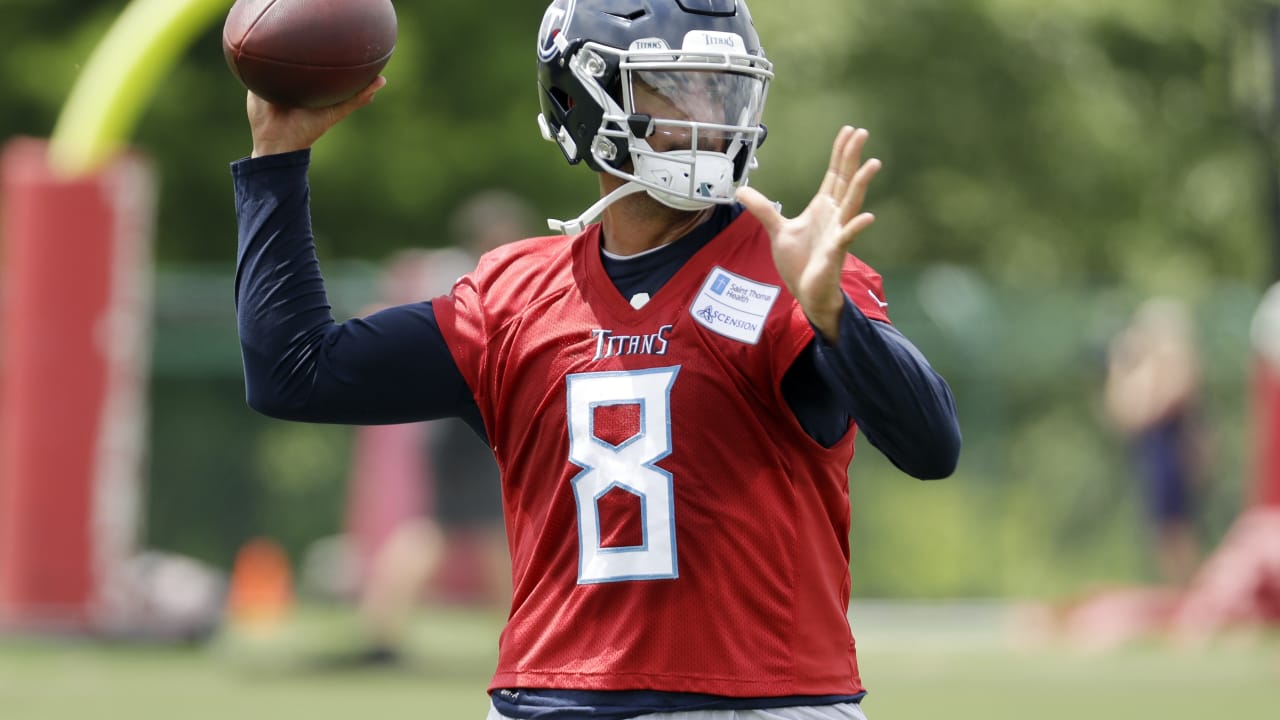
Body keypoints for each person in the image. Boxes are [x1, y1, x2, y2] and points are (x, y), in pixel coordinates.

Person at [230, 1, 960, 718]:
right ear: (581, 98)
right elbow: (294, 375)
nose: (708, 113)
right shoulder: (511, 297)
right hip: (550, 700)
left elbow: (930, 447)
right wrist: (278, 159)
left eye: (722, 86)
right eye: (675, 86)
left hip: (762, 701)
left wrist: (834, 317)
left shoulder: (793, 271)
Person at [347, 193, 532, 666]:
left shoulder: (448, 273)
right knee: (476, 529)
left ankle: (384, 629)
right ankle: (525, 640)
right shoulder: (484, 278)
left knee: (463, 530)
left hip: (449, 421)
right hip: (462, 422)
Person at [1103, 297, 1206, 586]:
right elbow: (1124, 413)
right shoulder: (1144, 367)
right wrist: (1123, 366)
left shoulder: (1176, 363)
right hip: (1150, 453)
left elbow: (1157, 406)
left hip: (1174, 454)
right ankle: (1175, 590)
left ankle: (1187, 592)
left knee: (1177, 530)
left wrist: (1147, 365)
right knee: (1159, 530)